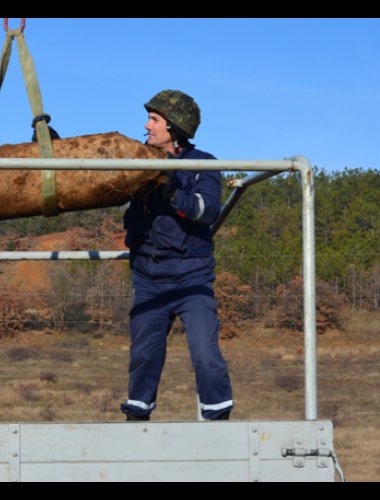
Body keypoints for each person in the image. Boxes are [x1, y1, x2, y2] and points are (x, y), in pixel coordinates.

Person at [120, 89, 233, 421]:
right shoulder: (139, 161)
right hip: (148, 278)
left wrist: (173, 192)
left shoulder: (203, 165)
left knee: (204, 351)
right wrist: (53, 154)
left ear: (175, 127)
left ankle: (217, 420)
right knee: (144, 353)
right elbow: (96, 180)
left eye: (154, 120)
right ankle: (137, 421)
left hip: (191, 278)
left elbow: (208, 210)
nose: (147, 125)